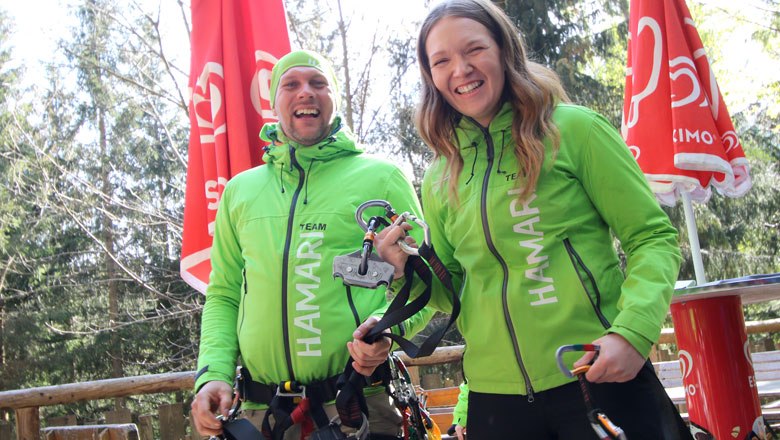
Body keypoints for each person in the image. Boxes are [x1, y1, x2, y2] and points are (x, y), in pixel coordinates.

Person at [375, 1, 693, 438]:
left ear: (504, 50)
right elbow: (456, 291)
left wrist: (632, 333)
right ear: (431, 76)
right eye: (442, 60)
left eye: (474, 50)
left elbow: (652, 238)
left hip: (594, 372)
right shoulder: (440, 174)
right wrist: (403, 268)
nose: (461, 69)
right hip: (495, 399)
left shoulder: (574, 130)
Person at [190, 49, 431, 440]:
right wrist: (212, 374)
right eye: (291, 84)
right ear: (274, 101)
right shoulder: (239, 192)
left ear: (334, 98)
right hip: (260, 414)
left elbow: (423, 284)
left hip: (357, 405)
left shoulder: (382, 178)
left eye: (318, 83)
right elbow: (224, 295)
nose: (306, 93)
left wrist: (387, 330)